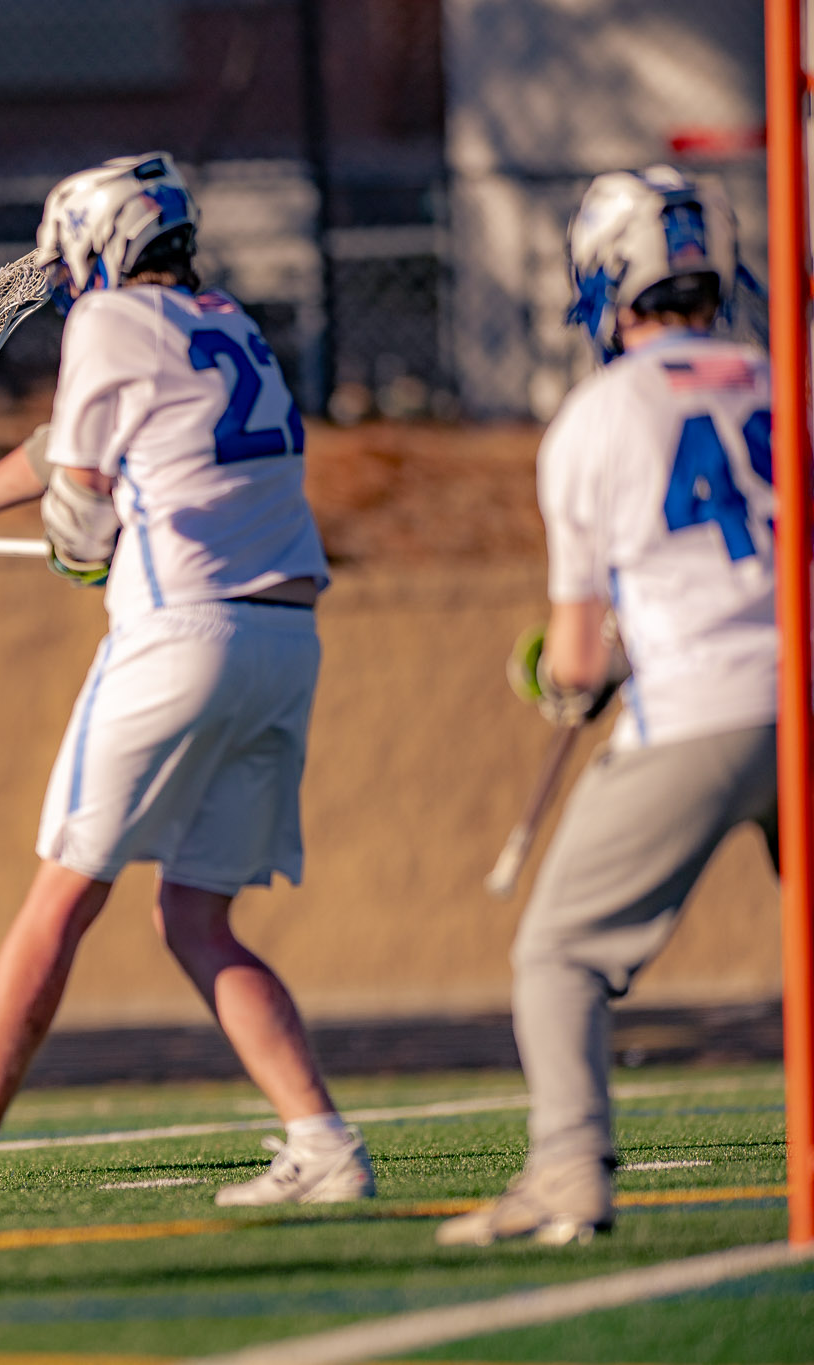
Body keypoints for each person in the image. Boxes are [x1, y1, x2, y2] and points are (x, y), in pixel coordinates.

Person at [0, 154, 373, 1217]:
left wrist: (58, 532)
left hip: (177, 635)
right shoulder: (226, 323)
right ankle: (320, 1141)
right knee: (195, 918)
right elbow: (77, 445)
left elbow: (82, 506)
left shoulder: (103, 326)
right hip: (283, 639)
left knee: (60, 896)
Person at [438, 167, 774, 1248]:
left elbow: (576, 661)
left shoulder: (593, 419)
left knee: (559, 956)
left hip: (702, 709)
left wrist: (563, 678)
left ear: (603, 280)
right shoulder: (783, 381)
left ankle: (567, 1174)